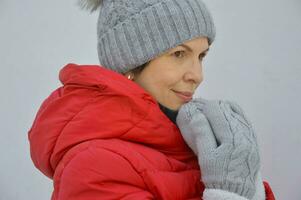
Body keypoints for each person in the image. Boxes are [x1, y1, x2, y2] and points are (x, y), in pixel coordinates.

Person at [28, 0, 276, 199]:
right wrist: (228, 194)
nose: (197, 76)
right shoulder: (93, 167)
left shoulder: (190, 139)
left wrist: (248, 182)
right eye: (178, 54)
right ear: (130, 64)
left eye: (201, 56)